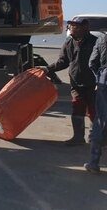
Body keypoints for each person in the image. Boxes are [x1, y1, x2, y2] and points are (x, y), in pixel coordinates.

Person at [40, 17, 97, 145]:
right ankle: (78, 138)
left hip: (94, 84)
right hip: (76, 84)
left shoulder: (96, 43)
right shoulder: (68, 43)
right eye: (71, 26)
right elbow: (62, 62)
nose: (72, 29)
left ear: (85, 28)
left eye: (76, 26)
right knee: (77, 109)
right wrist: (47, 69)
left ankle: (100, 139)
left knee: (95, 112)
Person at [84, 33, 107, 173]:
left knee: (100, 119)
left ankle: (93, 162)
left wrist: (99, 77)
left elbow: (92, 62)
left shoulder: (102, 39)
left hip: (104, 79)